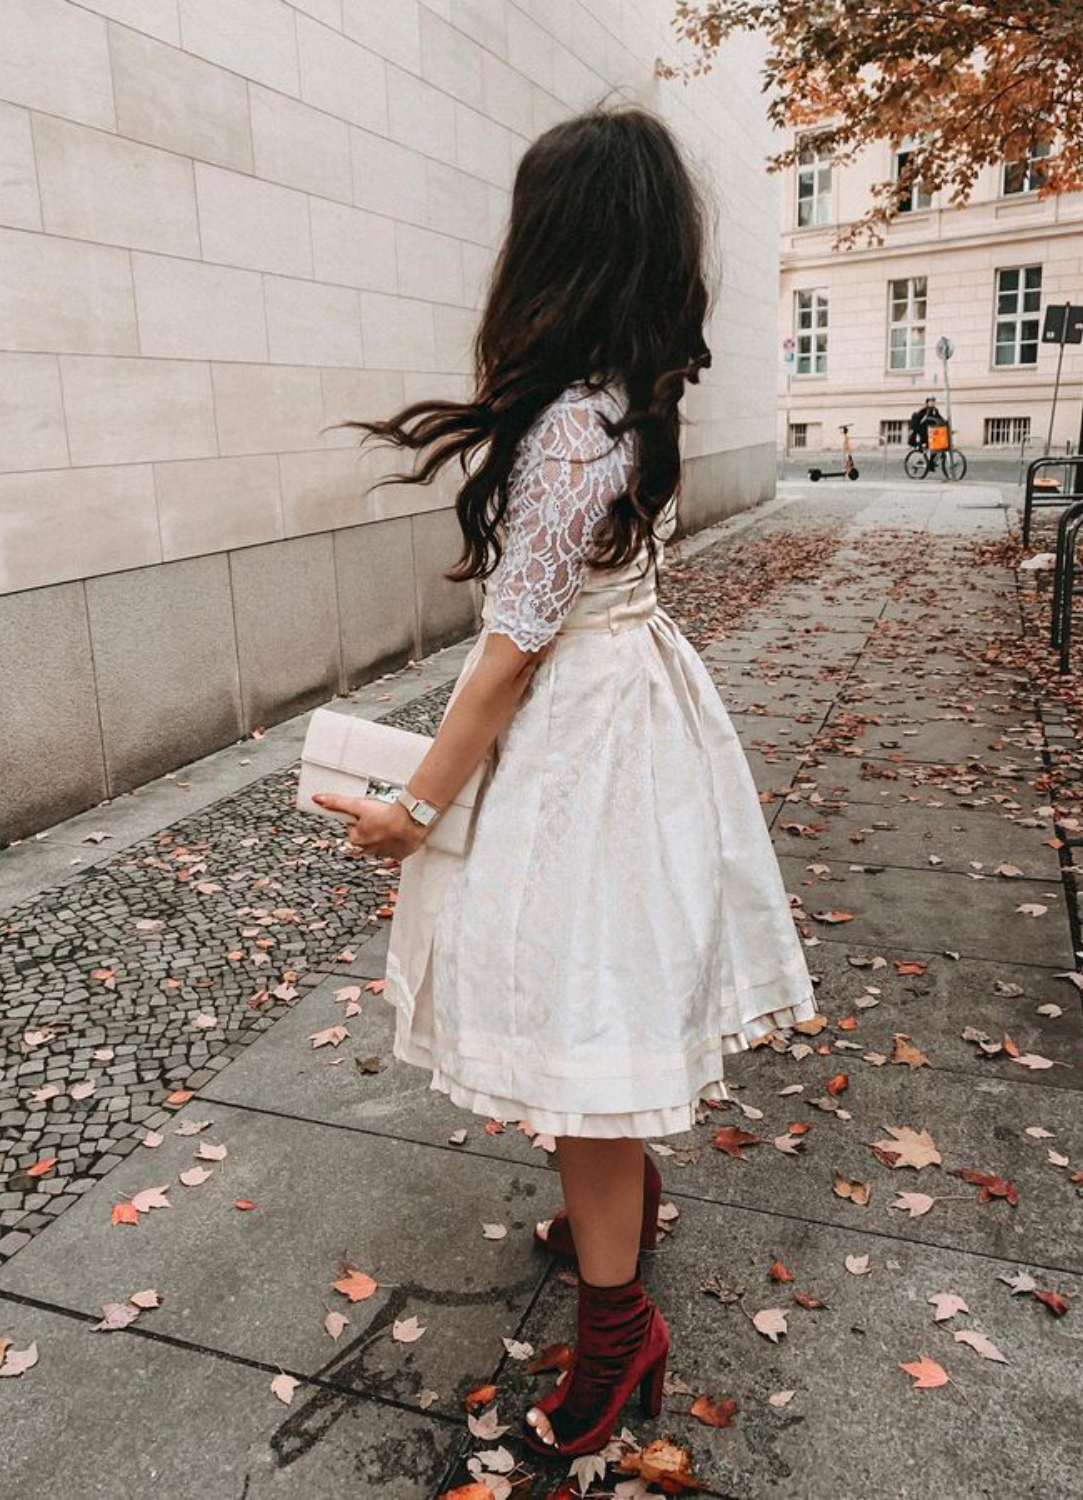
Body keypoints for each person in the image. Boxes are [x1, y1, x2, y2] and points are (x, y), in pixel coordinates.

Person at [313, 107, 817, 1459]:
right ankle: (615, 1215)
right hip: (632, 720)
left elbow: (504, 661)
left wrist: (409, 813)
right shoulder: (628, 396)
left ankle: (615, 1337)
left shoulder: (564, 426)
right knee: (598, 995)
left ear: (555, 243)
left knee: (582, 1033)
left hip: (585, 741)